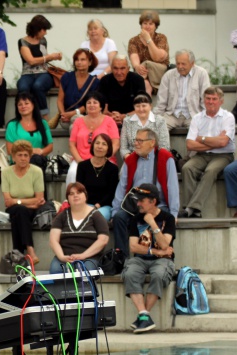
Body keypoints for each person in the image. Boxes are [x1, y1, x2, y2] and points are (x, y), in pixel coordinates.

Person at [111, 128, 179, 257]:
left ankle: (162, 256)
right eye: (135, 140)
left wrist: (174, 212)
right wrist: (115, 211)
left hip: (158, 205)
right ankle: (120, 258)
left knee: (166, 218)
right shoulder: (131, 160)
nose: (136, 143)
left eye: (140, 141)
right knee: (119, 217)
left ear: (152, 142)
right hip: (136, 205)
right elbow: (122, 186)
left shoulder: (165, 157)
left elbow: (173, 186)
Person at [122, 183, 176, 334]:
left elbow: (165, 244)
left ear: (153, 201)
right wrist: (155, 251)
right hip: (139, 259)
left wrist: (152, 223)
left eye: (141, 200)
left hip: (163, 261)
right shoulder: (135, 219)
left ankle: (143, 317)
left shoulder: (168, 218)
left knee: (159, 275)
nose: (138, 203)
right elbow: (133, 247)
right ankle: (144, 315)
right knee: (130, 273)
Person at [179, 87, 235, 218]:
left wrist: (201, 139)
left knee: (210, 171)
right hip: (201, 156)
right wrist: (214, 142)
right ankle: (192, 210)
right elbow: (190, 145)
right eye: (208, 99)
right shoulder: (197, 118)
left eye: (214, 99)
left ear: (221, 101)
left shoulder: (228, 117)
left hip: (223, 155)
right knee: (187, 168)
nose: (211, 102)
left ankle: (192, 208)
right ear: (204, 100)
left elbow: (223, 143)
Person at [49, 182, 109, 273]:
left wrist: (83, 255)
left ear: (85, 195)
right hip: (65, 257)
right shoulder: (62, 216)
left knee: (87, 270)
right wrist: (62, 257)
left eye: (79, 192)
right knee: (55, 269)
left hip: (90, 257)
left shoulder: (96, 215)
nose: (75, 196)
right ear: (68, 198)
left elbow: (103, 240)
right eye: (71, 194)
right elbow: (53, 240)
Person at [2, 140, 45, 264]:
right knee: (19, 211)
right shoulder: (6, 172)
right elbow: (8, 201)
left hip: (32, 210)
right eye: (19, 155)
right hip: (18, 208)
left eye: (26, 155)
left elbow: (39, 199)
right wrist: (28, 202)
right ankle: (30, 250)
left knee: (18, 213)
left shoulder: (36, 171)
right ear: (13, 156)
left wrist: (17, 201)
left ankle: (18, 254)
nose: (23, 158)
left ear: (30, 157)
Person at [67, 91, 120, 185]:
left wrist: (105, 158)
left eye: (95, 102)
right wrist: (80, 162)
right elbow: (72, 144)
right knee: (72, 173)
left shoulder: (109, 121)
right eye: (89, 102)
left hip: (104, 159)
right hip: (81, 159)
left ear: (101, 106)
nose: (92, 105)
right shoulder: (78, 121)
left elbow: (115, 143)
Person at [17, 15, 61, 120]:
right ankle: (23, 115)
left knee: (38, 86)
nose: (45, 32)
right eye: (44, 29)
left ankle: (44, 116)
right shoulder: (23, 42)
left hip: (43, 73)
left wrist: (54, 57)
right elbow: (31, 61)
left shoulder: (43, 40)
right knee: (23, 87)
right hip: (27, 73)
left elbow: (43, 58)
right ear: (37, 29)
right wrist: (50, 57)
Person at [154, 49, 211, 130]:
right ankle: (164, 143)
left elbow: (206, 99)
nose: (180, 67)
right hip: (172, 115)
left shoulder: (201, 73)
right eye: (178, 63)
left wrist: (205, 117)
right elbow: (161, 102)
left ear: (192, 63)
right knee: (158, 128)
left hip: (193, 115)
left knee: (199, 129)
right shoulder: (168, 75)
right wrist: (156, 118)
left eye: (183, 64)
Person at [5, 92, 53, 172]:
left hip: (39, 160)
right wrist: (31, 151)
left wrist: (41, 151)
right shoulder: (12, 125)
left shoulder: (43, 123)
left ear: (33, 105)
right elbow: (10, 150)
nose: (23, 106)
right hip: (18, 161)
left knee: (36, 160)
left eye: (26, 103)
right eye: (20, 104)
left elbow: (50, 146)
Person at [76, 133, 119, 220]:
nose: (100, 146)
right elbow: (79, 189)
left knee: (97, 218)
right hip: (85, 205)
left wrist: (97, 206)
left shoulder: (113, 169)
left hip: (103, 206)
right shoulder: (82, 166)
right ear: (93, 146)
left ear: (108, 149)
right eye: (97, 143)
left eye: (104, 144)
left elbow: (111, 193)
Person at [128, 10, 169, 95]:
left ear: (155, 26)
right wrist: (137, 66)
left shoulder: (161, 38)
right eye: (145, 23)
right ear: (141, 25)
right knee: (145, 84)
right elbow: (134, 59)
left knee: (147, 63)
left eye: (151, 24)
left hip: (158, 72)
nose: (147, 26)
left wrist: (148, 40)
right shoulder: (133, 40)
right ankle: (147, 107)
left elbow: (157, 58)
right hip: (143, 73)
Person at [57, 48, 100, 131]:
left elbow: (92, 103)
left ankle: (73, 144)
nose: (79, 62)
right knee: (77, 122)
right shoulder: (67, 77)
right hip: (66, 119)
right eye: (77, 59)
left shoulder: (95, 82)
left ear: (90, 62)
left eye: (83, 59)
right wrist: (63, 114)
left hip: (85, 116)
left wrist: (73, 113)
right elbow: (60, 100)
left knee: (76, 124)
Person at [98, 54, 146, 126]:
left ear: (128, 68)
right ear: (111, 68)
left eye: (122, 68)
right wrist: (112, 116)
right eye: (115, 68)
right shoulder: (105, 81)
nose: (119, 72)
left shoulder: (138, 80)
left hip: (133, 119)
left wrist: (124, 116)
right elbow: (104, 108)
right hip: (110, 119)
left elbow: (142, 106)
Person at [120, 92, 170, 160]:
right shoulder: (127, 121)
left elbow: (165, 146)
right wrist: (131, 160)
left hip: (155, 159)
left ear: (150, 106)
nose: (141, 109)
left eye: (144, 106)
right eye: (137, 106)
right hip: (133, 159)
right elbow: (123, 148)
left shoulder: (160, 121)